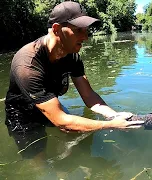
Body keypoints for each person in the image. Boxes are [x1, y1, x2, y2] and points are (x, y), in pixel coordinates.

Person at [4, 1, 144, 160]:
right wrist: (110, 125)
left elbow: (89, 96)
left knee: (74, 136)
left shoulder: (72, 55)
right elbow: (62, 121)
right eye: (78, 31)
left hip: (49, 100)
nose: (85, 37)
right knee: (39, 161)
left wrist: (115, 116)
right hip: (22, 113)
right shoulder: (28, 65)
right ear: (57, 29)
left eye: (86, 31)